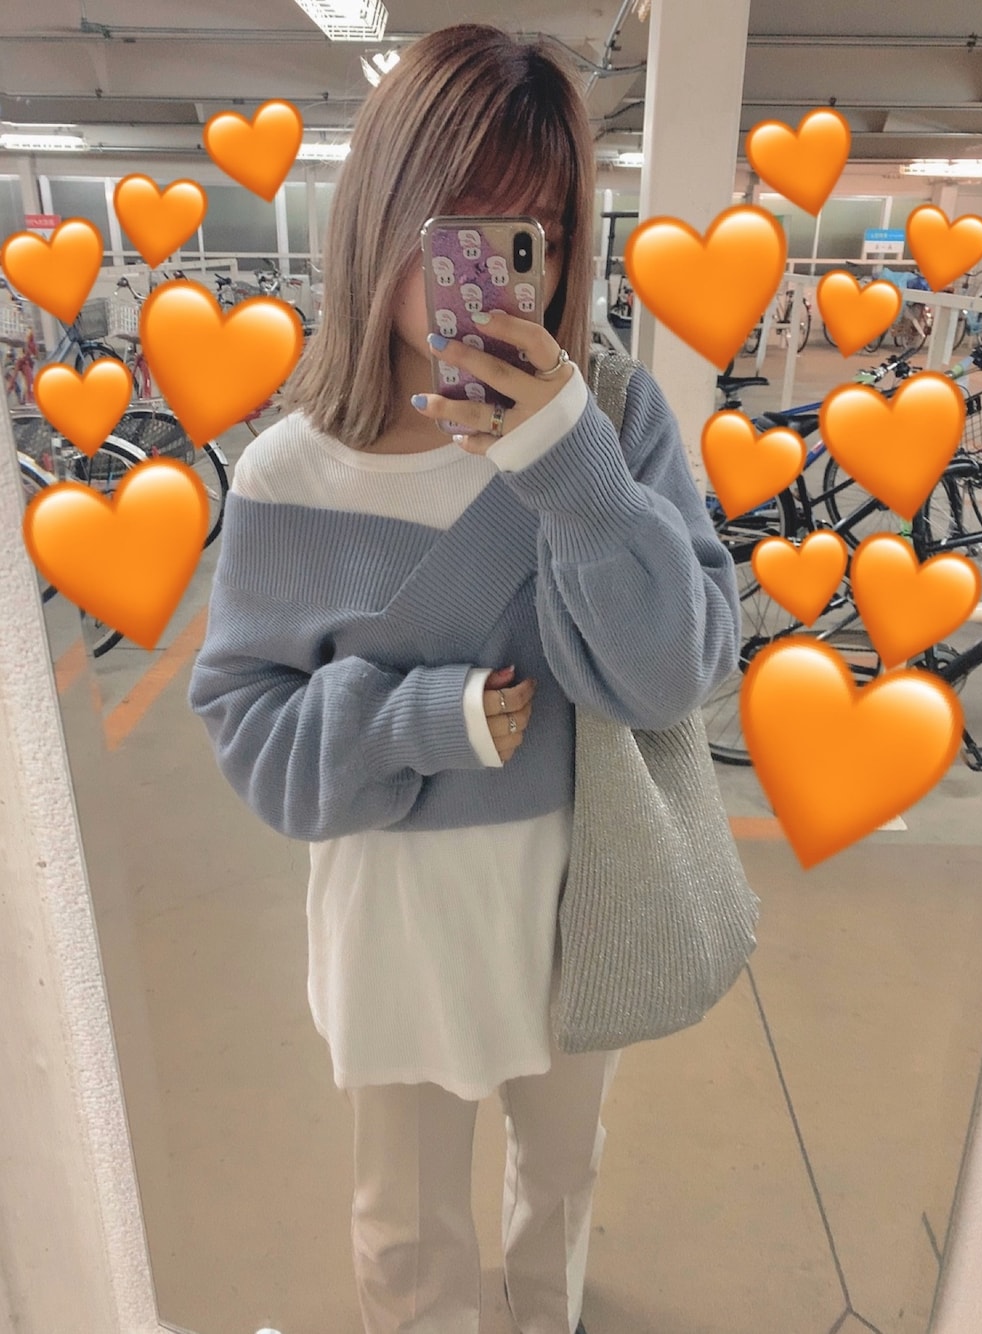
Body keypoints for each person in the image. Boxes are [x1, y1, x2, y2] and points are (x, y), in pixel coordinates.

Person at [188, 22, 740, 1334]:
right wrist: (419, 720)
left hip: (579, 899)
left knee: (561, 1180)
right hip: (396, 921)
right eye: (462, 223)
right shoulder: (288, 473)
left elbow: (679, 675)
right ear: (382, 219)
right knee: (405, 1233)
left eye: (532, 230)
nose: (495, 269)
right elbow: (251, 732)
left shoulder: (612, 421)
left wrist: (569, 468)